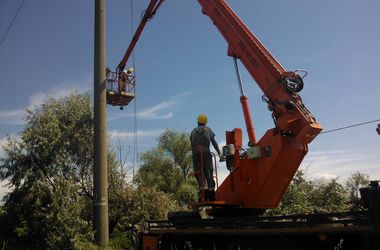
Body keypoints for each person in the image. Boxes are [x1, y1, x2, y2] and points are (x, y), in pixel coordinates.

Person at [190, 114, 224, 201]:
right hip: (205, 151)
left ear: (198, 121)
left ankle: (203, 195)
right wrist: (219, 153)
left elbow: (191, 143)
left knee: (199, 172)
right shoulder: (208, 129)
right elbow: (214, 142)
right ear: (205, 123)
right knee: (208, 171)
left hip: (195, 152)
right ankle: (211, 195)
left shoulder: (193, 131)